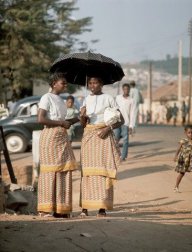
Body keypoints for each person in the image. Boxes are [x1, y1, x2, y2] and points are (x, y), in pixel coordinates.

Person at [79, 77, 124, 217]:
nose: (92, 85)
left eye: (95, 83)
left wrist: (108, 129)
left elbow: (121, 120)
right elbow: (83, 124)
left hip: (104, 135)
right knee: (87, 172)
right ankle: (85, 208)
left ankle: (102, 208)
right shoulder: (86, 100)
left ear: (101, 84)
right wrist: (82, 116)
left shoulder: (109, 98)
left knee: (103, 172)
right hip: (89, 137)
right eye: (90, 83)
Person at [37, 73, 78, 218]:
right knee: (50, 172)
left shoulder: (61, 100)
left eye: (66, 83)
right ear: (54, 83)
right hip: (50, 137)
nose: (65, 85)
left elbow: (64, 121)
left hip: (62, 137)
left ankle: (60, 209)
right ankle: (45, 209)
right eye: (63, 83)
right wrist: (61, 123)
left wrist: (79, 117)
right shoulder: (46, 98)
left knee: (63, 172)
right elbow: (41, 119)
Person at [173, 125, 192, 192]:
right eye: (189, 132)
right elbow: (178, 149)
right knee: (182, 173)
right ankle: (176, 186)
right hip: (184, 160)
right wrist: (175, 156)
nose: (191, 134)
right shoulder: (183, 141)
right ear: (185, 133)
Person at [114, 83, 135, 161]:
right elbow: (114, 109)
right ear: (122, 90)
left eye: (127, 89)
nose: (126, 90)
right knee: (115, 139)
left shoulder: (131, 100)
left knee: (125, 140)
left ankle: (123, 156)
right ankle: (117, 155)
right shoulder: (118, 98)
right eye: (125, 89)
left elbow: (132, 113)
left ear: (129, 90)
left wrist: (131, 126)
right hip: (117, 122)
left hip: (126, 122)